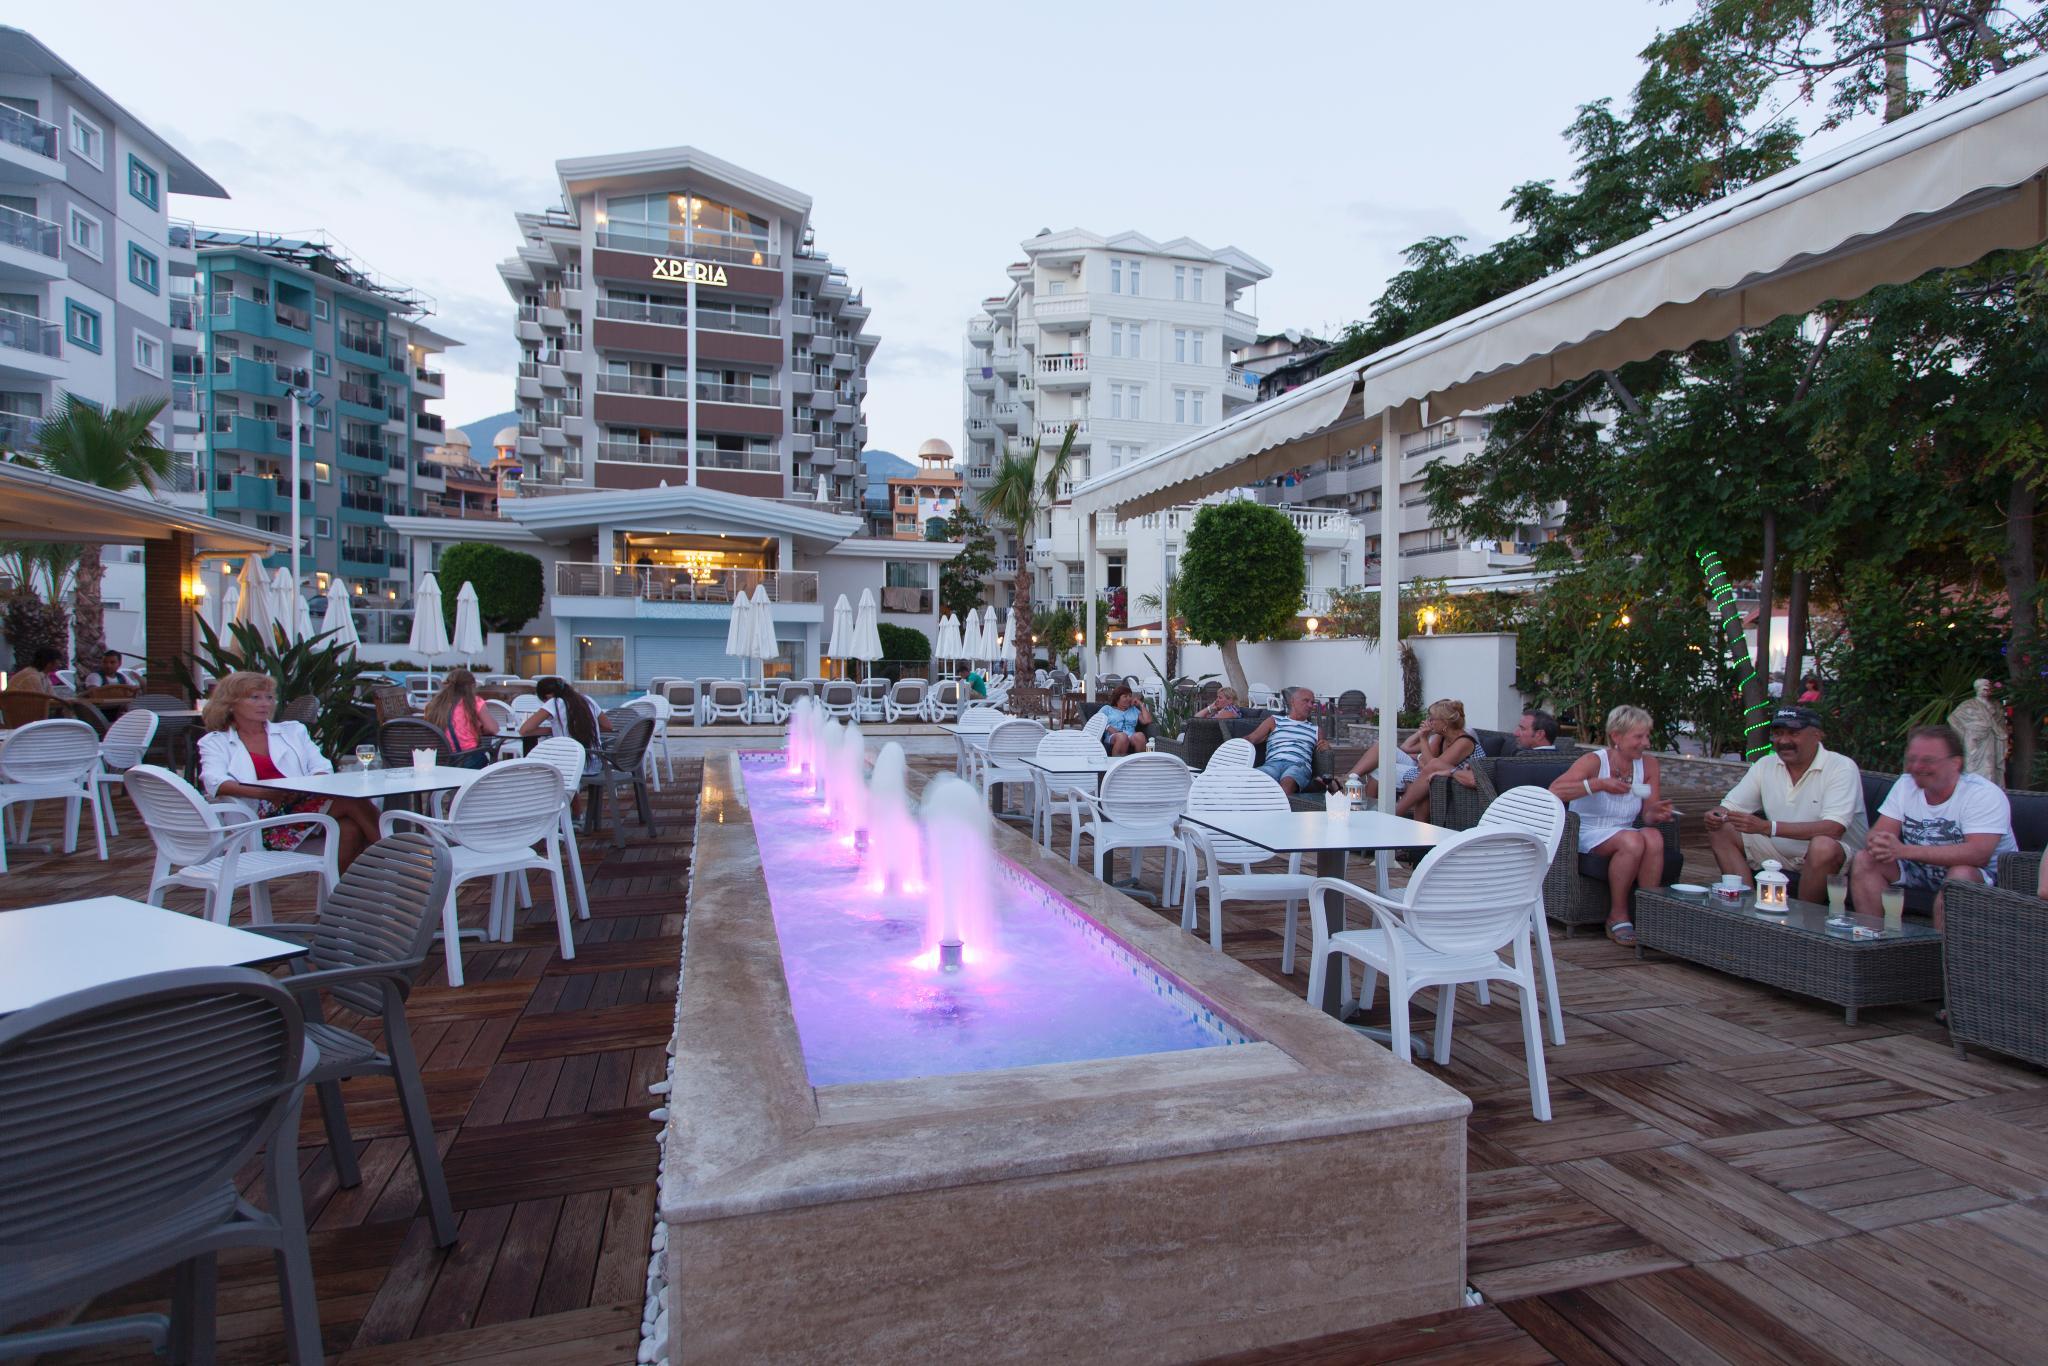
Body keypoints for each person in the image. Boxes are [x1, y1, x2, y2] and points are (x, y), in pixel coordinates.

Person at [198, 670, 380, 872]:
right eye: (255, 698)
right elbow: (215, 782)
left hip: (301, 804)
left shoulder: (293, 731)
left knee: (350, 829)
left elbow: (321, 767)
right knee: (351, 800)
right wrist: (265, 793)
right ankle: (398, 860)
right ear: (230, 704)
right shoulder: (216, 742)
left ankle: (341, 890)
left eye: (269, 697)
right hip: (259, 822)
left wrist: (308, 789)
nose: (265, 704)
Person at [1850, 724, 2015, 930]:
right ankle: (1873, 940)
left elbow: (1978, 854)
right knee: (1865, 860)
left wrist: (1903, 850)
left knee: (1960, 875)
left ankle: (1944, 950)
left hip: (1985, 879)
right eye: (1912, 759)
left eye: (1927, 760)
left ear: (1955, 763)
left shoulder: (1981, 795)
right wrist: (1878, 842)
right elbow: (1879, 833)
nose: (1916, 767)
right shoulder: (1905, 785)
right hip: (1920, 870)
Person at [1704, 706, 1866, 903]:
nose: (1783, 741)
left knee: (1822, 846)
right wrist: (1716, 815)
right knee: (1722, 829)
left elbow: (1834, 829)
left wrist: (1768, 827)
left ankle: (1804, 918)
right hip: (1779, 852)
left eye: (1794, 733)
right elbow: (1730, 806)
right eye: (1778, 734)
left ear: (1817, 735)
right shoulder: (1766, 764)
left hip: (1836, 858)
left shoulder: (1841, 767)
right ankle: (1745, 907)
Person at [1548, 704, 1676, 946]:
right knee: (1633, 840)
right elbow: (1555, 790)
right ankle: (1617, 915)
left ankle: (1648, 915)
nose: (1646, 743)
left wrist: (1656, 814)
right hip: (1588, 830)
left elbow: (1648, 814)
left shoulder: (1649, 765)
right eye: (1639, 736)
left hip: (1624, 830)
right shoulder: (1593, 761)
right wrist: (1598, 784)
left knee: (1653, 836)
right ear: (1616, 736)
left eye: (1647, 736)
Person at [1346, 698, 1485, 819]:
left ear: (1445, 723)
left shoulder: (1464, 742)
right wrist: (1423, 746)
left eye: (1432, 718)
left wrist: (1424, 739)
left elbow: (1431, 765)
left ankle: (1391, 815)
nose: (1429, 721)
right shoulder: (1442, 737)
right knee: (1388, 771)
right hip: (1439, 779)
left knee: (1424, 782)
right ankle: (1377, 814)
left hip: (1465, 784)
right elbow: (1427, 762)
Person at [1246, 686, 1325, 794]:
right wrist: (1232, 746)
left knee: (1287, 784)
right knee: (1252, 781)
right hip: (1273, 764)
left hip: (1298, 765)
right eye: (1306, 701)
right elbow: (1252, 738)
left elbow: (1323, 750)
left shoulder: (1316, 730)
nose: (1310, 705)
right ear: (1292, 702)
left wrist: (1326, 747)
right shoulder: (1274, 721)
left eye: (1312, 702)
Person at [518, 675, 611, 763]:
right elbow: (607, 726)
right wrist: (583, 727)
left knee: (536, 760)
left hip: (569, 764)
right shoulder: (587, 700)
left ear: (548, 696)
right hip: (596, 762)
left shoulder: (554, 703)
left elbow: (524, 730)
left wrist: (552, 729)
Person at [424, 667, 499, 766]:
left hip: (441, 760)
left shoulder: (434, 704)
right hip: (468, 758)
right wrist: (478, 729)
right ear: (472, 686)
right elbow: (493, 729)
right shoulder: (474, 702)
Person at [1096, 684, 1151, 757]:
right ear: (1117, 699)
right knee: (1122, 737)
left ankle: (1140, 762)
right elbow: (1096, 720)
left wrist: (1141, 705)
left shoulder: (1133, 710)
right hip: (1113, 736)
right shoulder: (1107, 709)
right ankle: (1117, 762)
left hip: (1131, 735)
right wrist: (1108, 727)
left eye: (1130, 696)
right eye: (1125, 696)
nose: (1129, 699)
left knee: (1140, 736)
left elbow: (1147, 721)